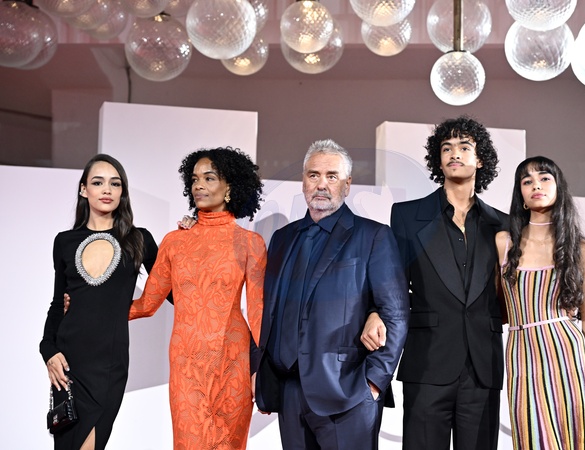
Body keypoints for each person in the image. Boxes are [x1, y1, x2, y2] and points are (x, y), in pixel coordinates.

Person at [362, 116, 509, 450]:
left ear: (480, 159)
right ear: (437, 160)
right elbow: (391, 283)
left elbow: (510, 292)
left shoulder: (502, 224)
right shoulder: (407, 215)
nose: (454, 153)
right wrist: (374, 312)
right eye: (446, 148)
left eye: (464, 147)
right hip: (427, 361)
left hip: (483, 366)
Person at [255, 139, 409, 449]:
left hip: (348, 392)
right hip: (289, 391)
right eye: (314, 175)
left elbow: (395, 313)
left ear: (347, 184)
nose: (321, 184)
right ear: (303, 181)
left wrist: (373, 383)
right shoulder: (282, 238)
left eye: (332, 176)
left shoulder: (373, 236)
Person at [128, 147, 266, 449]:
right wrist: (92, 307)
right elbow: (147, 305)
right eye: (194, 179)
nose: (198, 186)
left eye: (209, 178)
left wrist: (264, 371)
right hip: (186, 365)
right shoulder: (174, 242)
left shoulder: (251, 244)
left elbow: (258, 313)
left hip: (233, 361)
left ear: (229, 187)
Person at [40, 154, 162, 450]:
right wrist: (48, 350)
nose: (107, 189)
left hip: (109, 364)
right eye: (98, 182)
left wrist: (191, 238)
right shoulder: (64, 242)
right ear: (84, 190)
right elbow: (57, 304)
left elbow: (173, 290)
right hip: (68, 362)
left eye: (115, 184)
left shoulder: (139, 239)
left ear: (122, 192)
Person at [496, 156, 585, 449]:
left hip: (568, 356)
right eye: (527, 181)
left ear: (559, 187)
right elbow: (499, 310)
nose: (536, 185)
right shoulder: (503, 243)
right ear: (521, 194)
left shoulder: (579, 249)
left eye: (545, 178)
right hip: (522, 356)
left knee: (578, 439)